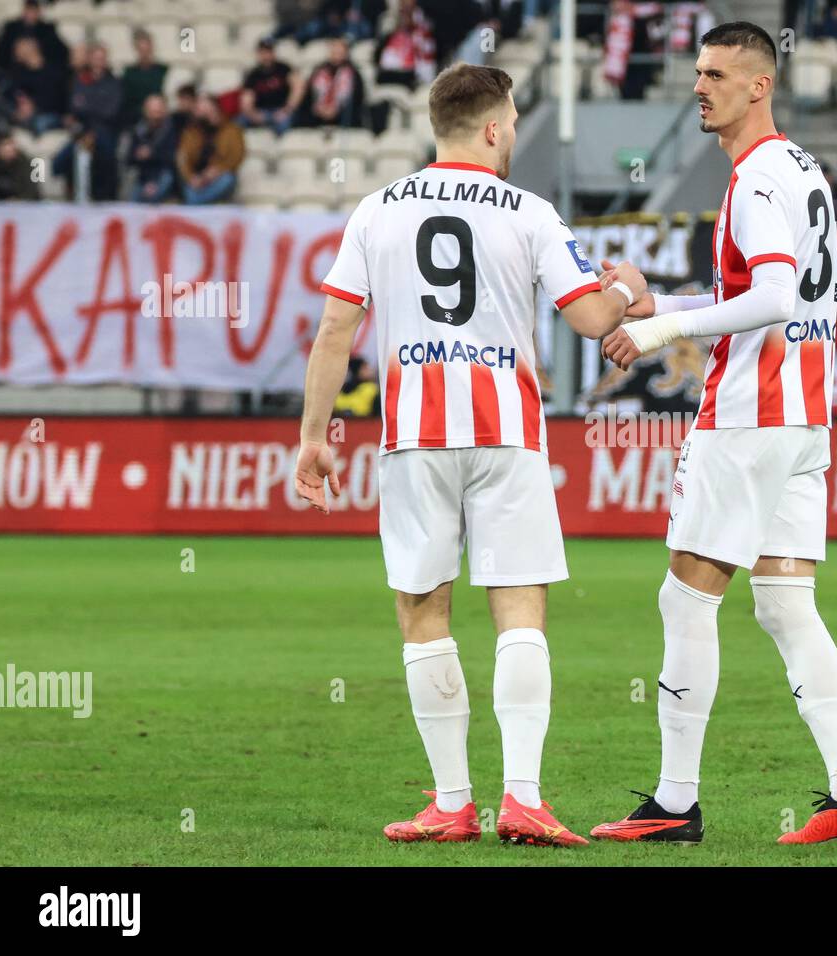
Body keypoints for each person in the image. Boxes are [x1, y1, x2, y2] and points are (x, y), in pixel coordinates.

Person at [294, 63, 645, 846]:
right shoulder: (528, 210)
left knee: (423, 608)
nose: (515, 133)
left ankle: (453, 802)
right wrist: (629, 289)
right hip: (507, 431)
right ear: (493, 128)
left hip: (414, 433)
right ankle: (522, 797)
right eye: (514, 121)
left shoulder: (377, 209)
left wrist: (315, 438)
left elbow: (334, 330)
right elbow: (591, 319)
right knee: (519, 605)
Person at [592, 21, 837, 846]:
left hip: (750, 414)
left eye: (717, 73)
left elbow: (773, 299)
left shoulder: (755, 178)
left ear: (761, 84)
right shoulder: (801, 167)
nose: (699, 85)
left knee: (684, 598)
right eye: (697, 72)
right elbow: (757, 291)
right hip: (805, 416)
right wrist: (666, 305)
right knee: (788, 606)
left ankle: (676, 804)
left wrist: (651, 336)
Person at [176, 95, 244, 204]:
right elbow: (182, 158)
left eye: (201, 108)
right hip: (196, 178)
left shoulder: (232, 130)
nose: (197, 111)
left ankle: (195, 205)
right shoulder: (190, 132)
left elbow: (236, 157)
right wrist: (191, 178)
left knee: (228, 179)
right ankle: (198, 204)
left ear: (214, 108)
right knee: (187, 187)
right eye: (197, 109)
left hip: (218, 177)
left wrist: (218, 170)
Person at [240, 39, 302, 134]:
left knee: (284, 124)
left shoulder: (284, 68)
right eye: (263, 52)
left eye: (269, 51)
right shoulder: (253, 74)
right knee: (238, 123)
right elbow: (246, 100)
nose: (266, 55)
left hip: (282, 110)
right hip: (261, 112)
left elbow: (298, 88)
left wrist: (287, 110)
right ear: (258, 53)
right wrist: (254, 115)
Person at [126, 93, 177, 202]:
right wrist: (138, 155)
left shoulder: (172, 130)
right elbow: (129, 159)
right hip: (142, 176)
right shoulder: (139, 130)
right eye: (152, 111)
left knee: (165, 180)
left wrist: (151, 154)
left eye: (158, 110)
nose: (155, 115)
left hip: (163, 174)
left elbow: (171, 159)